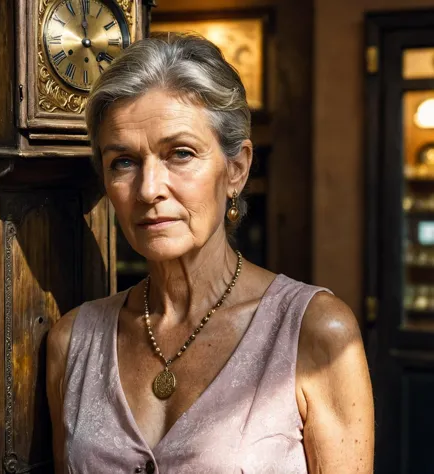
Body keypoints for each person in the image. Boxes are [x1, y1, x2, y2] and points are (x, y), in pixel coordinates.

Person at [46, 33, 374, 474]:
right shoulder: (72, 343)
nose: (148, 190)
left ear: (236, 169)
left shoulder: (316, 332)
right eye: (123, 161)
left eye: (180, 154)